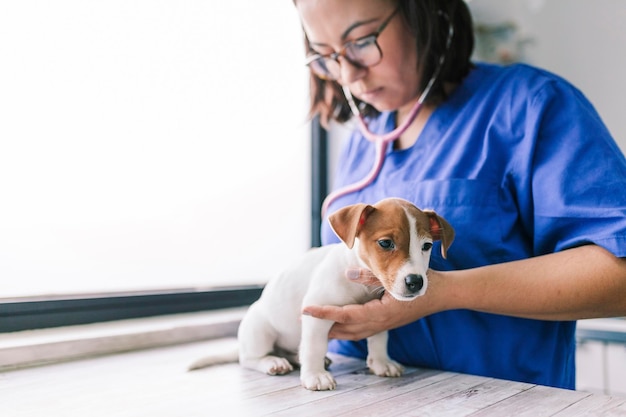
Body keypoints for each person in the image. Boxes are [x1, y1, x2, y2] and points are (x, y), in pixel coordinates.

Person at [294, 0, 626, 390]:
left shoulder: (530, 107)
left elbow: (617, 276)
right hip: (354, 392)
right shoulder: (363, 140)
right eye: (325, 55)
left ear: (426, 13)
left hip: (497, 400)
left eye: (362, 41)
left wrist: (440, 291)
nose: (347, 73)